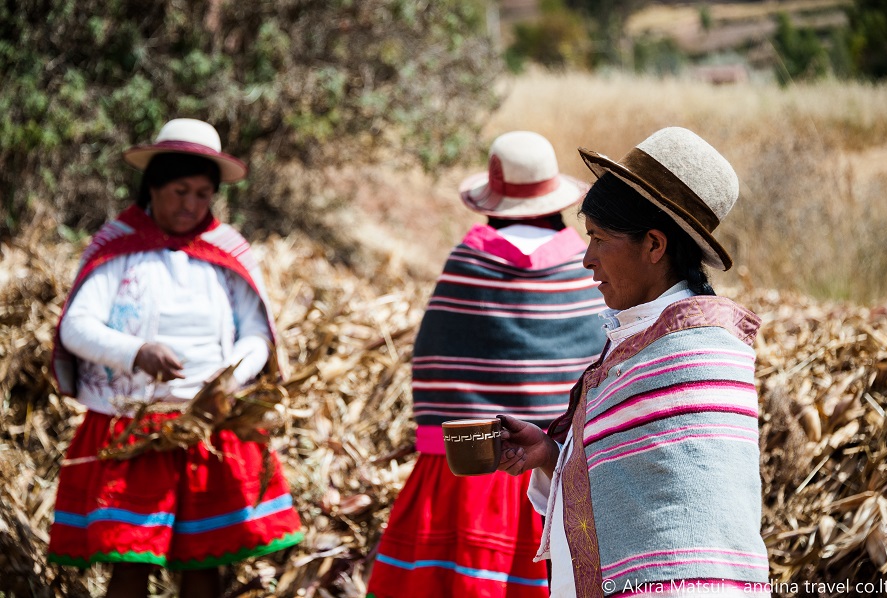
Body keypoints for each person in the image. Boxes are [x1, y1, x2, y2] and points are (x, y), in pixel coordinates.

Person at [497, 127, 772, 597]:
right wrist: (550, 454)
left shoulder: (695, 352)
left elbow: (691, 519)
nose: (587, 259)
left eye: (600, 239)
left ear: (654, 246)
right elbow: (624, 473)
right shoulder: (638, 338)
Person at [47, 118, 304, 597]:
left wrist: (228, 380)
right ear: (154, 187)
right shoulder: (118, 248)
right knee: (129, 561)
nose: (190, 205)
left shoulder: (226, 253)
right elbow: (76, 327)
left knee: (204, 562)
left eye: (203, 195)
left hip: (209, 427)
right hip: (133, 429)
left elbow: (256, 334)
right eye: (179, 191)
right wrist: (137, 352)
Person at [366, 131, 607, 597]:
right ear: (552, 196)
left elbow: (435, 356)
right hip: (553, 469)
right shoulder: (582, 262)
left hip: (468, 467)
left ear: (492, 200)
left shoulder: (467, 261)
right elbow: (595, 359)